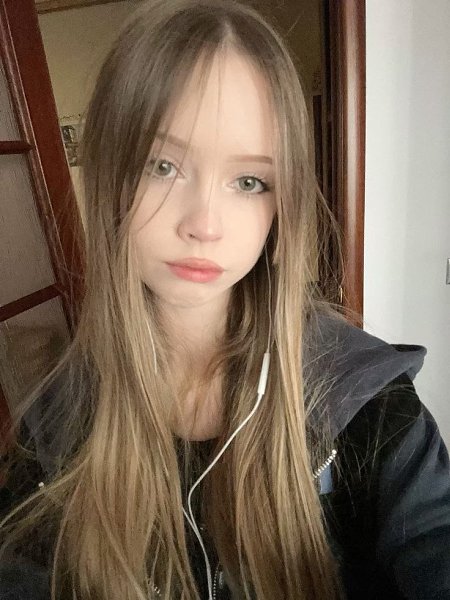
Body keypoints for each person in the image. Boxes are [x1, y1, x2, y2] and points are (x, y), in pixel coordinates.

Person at [1, 1, 449, 598]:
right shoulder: (56, 424)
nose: (204, 225)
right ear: (109, 178)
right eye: (162, 166)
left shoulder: (362, 397)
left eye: (249, 181)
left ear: (281, 202)